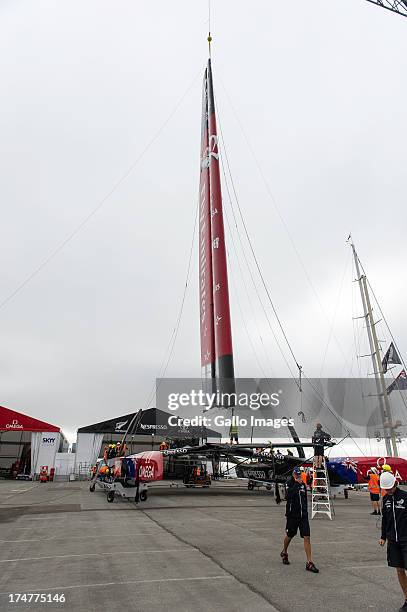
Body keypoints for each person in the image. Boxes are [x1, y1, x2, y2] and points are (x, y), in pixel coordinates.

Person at [280, 467, 319, 573]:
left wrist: (306, 511)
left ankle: (309, 562)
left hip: (303, 516)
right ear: (293, 474)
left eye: (299, 474)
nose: (298, 476)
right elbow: (287, 496)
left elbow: (305, 498)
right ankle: (285, 552)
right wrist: (296, 484)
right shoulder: (289, 483)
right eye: (296, 474)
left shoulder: (302, 483)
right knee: (290, 535)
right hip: (293, 515)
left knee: (307, 536)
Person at [379, 471, 407, 611]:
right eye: (386, 489)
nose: (388, 491)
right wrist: (383, 536)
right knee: (399, 570)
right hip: (393, 541)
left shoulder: (405, 497)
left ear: (395, 483)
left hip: (406, 540)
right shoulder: (385, 499)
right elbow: (385, 520)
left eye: (389, 488)